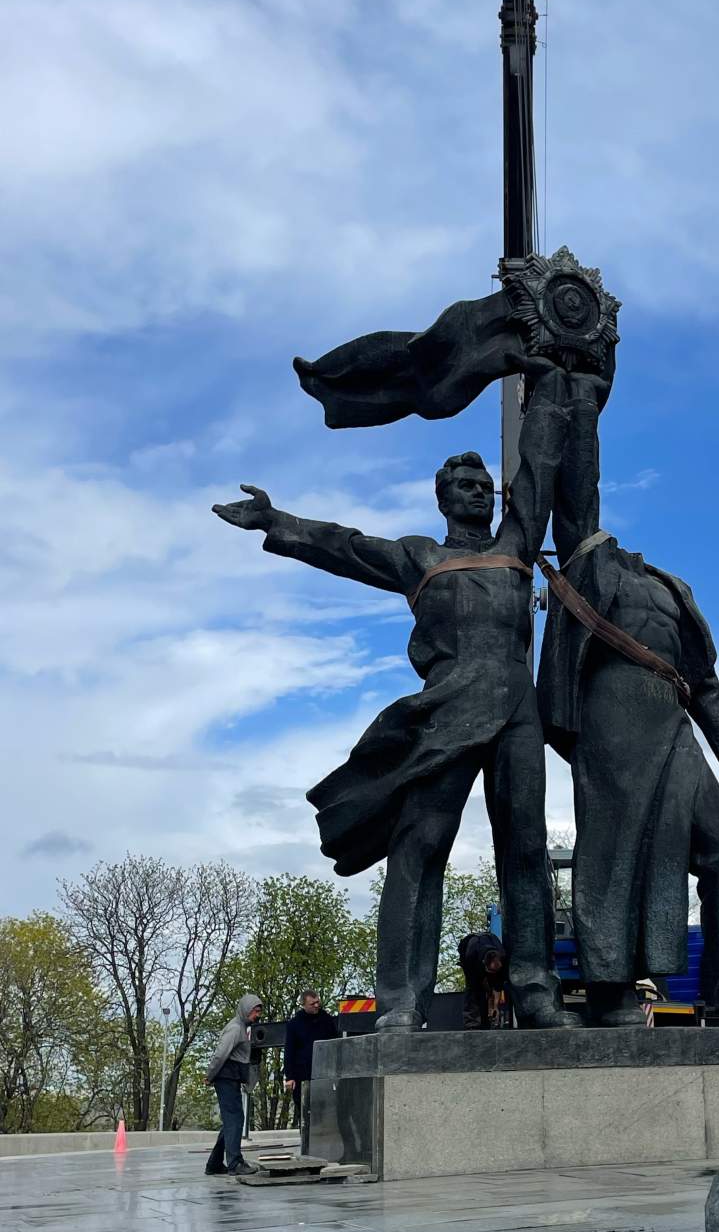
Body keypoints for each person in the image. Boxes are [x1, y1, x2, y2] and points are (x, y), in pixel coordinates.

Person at [213, 365, 581, 1034]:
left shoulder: (515, 546)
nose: (477, 494)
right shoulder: (419, 557)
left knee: (525, 849)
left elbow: (538, 470)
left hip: (516, 711)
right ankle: (402, 1000)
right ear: (442, 498)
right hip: (448, 706)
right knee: (421, 847)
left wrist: (552, 386)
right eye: (463, 488)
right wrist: (277, 521)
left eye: (483, 488)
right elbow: (348, 547)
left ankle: (534, 989)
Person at [537, 397, 719, 1028]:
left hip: (674, 723)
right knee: (612, 851)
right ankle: (609, 991)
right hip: (611, 719)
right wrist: (578, 414)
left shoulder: (672, 589)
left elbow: (706, 684)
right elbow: (577, 495)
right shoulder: (590, 568)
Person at [204, 994, 263, 1177]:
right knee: (235, 1119)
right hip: (226, 1078)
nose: (257, 1015)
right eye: (255, 1011)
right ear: (246, 1009)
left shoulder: (242, 1028)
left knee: (232, 1120)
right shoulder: (235, 1028)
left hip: (231, 1078)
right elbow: (220, 1054)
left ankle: (214, 1163)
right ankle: (235, 1163)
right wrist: (209, 1075)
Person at [283, 990, 338, 1127]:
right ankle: (306, 1143)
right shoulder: (294, 1024)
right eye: (312, 1003)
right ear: (304, 1005)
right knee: (304, 1112)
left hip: (324, 1073)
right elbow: (289, 1050)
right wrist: (290, 1076)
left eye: (317, 1002)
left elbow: (335, 1044)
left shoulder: (327, 1020)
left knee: (324, 1111)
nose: (316, 1005)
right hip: (302, 1074)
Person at [459, 932, 513, 1029]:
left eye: (495, 971)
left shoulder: (503, 958)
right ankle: (472, 1023)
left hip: (490, 939)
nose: (492, 974)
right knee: (474, 990)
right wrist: (487, 989)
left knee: (495, 987)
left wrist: (495, 1006)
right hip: (469, 948)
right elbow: (475, 982)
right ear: (484, 964)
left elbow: (498, 986)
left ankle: (486, 1022)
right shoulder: (471, 956)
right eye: (491, 971)